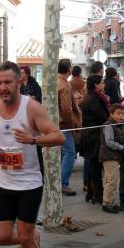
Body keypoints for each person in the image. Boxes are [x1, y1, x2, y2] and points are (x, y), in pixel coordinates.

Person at [0, 60, 65, 248]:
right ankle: (31, 237)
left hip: (29, 183)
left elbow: (58, 137)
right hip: (4, 181)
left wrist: (33, 140)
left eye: (7, 82)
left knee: (25, 236)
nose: (3, 87)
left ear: (19, 81)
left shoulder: (32, 108)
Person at [79, 75, 109, 205]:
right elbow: (102, 116)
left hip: (91, 135)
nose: (104, 85)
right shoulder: (94, 99)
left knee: (93, 165)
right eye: (102, 83)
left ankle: (92, 193)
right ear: (96, 85)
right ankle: (97, 193)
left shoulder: (93, 97)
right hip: (93, 136)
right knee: (95, 166)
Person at [99, 104, 124, 214]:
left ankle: (111, 202)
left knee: (113, 179)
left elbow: (120, 140)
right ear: (111, 114)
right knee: (112, 179)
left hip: (114, 156)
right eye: (118, 114)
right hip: (109, 156)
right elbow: (109, 142)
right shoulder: (109, 125)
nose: (121, 116)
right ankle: (107, 203)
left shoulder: (118, 125)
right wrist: (122, 147)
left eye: (122, 114)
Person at [57, 59, 80, 196]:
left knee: (61, 153)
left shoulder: (53, 81)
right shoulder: (64, 85)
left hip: (54, 123)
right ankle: (63, 183)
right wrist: (71, 125)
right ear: (69, 69)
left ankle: (58, 181)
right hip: (63, 124)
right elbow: (66, 109)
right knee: (70, 152)